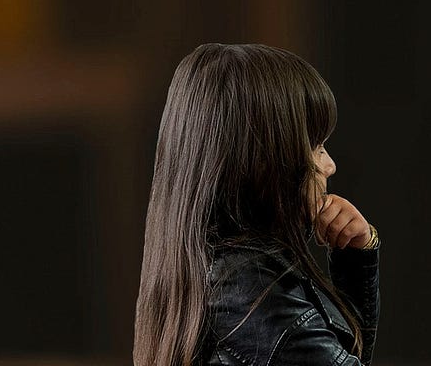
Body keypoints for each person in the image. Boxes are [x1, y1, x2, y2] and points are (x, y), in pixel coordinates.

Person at [134, 43, 379, 366]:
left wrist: (356, 258)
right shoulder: (256, 296)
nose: (329, 165)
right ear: (265, 161)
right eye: (316, 146)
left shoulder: (208, 267)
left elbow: (342, 355)